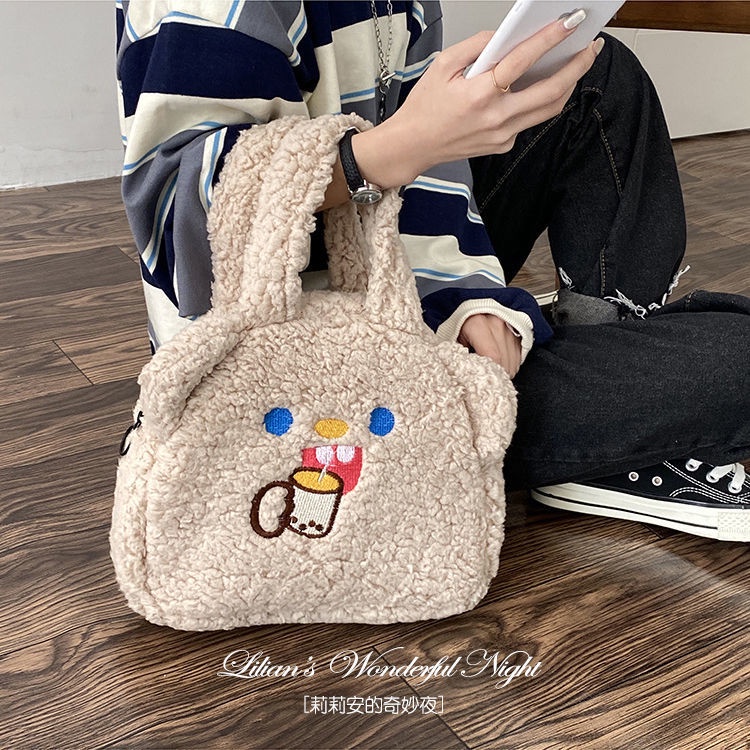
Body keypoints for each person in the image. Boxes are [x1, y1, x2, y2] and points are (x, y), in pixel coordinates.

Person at [116, 1, 749, 542]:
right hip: (281, 362)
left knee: (597, 74)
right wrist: (398, 146)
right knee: (738, 357)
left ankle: (606, 416)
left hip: (381, 266)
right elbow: (179, 230)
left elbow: (427, 174)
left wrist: (465, 297)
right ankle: (613, 424)